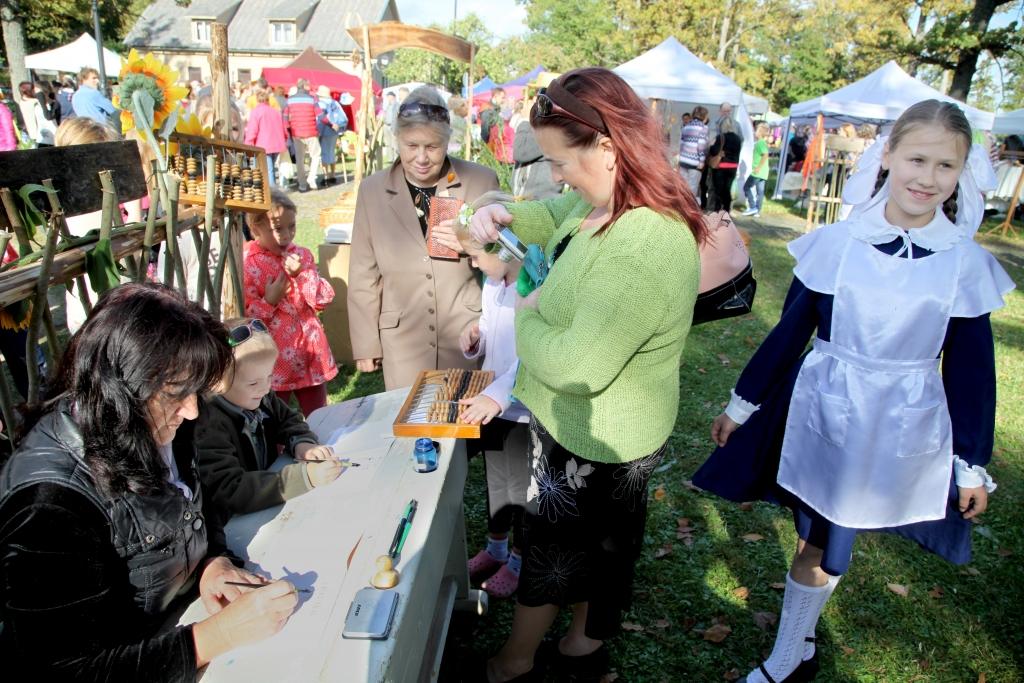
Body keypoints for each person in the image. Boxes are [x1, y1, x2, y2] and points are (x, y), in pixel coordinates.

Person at [694, 100, 1013, 683]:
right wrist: (743, 405)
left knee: (829, 542)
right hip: (818, 409)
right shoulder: (837, 243)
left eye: (946, 166)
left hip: (897, 421)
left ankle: (795, 647)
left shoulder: (964, 264)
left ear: (962, 173)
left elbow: (971, 374)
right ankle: (793, 652)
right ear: (887, 156)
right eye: (916, 158)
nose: (927, 178)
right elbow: (789, 332)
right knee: (815, 535)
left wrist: (971, 464)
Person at [467, 67, 705, 682]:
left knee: (555, 556)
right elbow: (552, 212)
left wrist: (526, 312)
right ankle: (582, 647)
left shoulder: (646, 240)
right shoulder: (604, 196)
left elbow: (578, 367)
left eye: (561, 161)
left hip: (600, 436)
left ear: (606, 145)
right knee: (596, 548)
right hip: (585, 427)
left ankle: (515, 662)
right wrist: (501, 211)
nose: (555, 175)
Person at [0, 283, 300, 680]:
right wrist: (212, 638)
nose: (192, 411)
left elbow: (194, 502)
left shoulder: (156, 419)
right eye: (178, 394)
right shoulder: (47, 502)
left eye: (195, 392)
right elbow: (61, 669)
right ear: (122, 387)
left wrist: (211, 562)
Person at [347, 86, 499, 390]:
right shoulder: (372, 191)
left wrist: (472, 246)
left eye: (432, 147)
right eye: (411, 145)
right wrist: (366, 344)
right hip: (403, 340)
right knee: (410, 426)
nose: (421, 158)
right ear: (397, 140)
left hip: (465, 334)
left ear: (447, 141)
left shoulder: (480, 181)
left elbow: (509, 260)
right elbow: (363, 271)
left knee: (463, 427)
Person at [187, 317, 343, 529]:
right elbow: (230, 489)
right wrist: (303, 477)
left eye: (269, 377)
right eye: (253, 383)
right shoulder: (209, 425)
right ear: (218, 382)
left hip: (267, 510)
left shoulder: (261, 398)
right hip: (234, 529)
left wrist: (301, 442)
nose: (265, 389)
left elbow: (288, 419)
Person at [455, 202, 532, 599]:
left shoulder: (534, 289)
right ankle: (496, 548)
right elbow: (489, 326)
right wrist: (476, 337)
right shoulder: (492, 284)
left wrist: (498, 396)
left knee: (523, 491)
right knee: (498, 482)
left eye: (474, 255)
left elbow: (532, 357)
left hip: (522, 411)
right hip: (494, 405)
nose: (473, 264)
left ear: (502, 249)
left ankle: (519, 560)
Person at [244, 189, 337, 415]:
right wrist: (269, 300)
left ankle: (320, 444)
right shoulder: (249, 263)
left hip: (310, 354)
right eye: (277, 229)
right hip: (277, 358)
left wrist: (303, 273)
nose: (286, 235)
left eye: (292, 226)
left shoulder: (302, 256)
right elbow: (248, 317)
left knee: (318, 413)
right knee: (276, 415)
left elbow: (322, 299)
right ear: (256, 229)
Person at [512, 91, 562, 200]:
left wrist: (525, 120)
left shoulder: (552, 129)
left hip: (539, 202)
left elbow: (521, 152)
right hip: (532, 201)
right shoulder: (544, 127)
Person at [245, 88, 288, 187]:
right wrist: (285, 139)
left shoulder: (256, 112)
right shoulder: (275, 111)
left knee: (268, 171)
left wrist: (248, 144)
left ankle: (272, 195)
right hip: (277, 144)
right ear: (268, 100)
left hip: (263, 145)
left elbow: (252, 131)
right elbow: (283, 128)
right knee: (270, 168)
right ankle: (271, 191)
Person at [284, 79, 322, 192]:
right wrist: (328, 124)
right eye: (308, 86)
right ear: (305, 86)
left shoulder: (289, 100)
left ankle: (302, 184)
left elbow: (285, 117)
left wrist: (288, 131)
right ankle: (311, 178)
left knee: (300, 159)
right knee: (315, 155)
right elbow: (320, 115)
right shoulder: (312, 99)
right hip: (311, 132)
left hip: (297, 133)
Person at [708, 115, 742, 212]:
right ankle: (727, 209)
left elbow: (714, 151)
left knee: (718, 190)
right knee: (727, 188)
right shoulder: (738, 139)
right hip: (733, 167)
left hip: (721, 166)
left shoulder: (721, 137)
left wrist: (712, 146)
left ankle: (717, 209)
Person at [316, 85, 348, 185]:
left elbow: (319, 118)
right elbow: (344, 118)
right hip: (334, 131)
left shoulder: (319, 104)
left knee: (324, 153)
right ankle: (333, 175)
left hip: (323, 130)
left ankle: (326, 176)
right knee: (331, 152)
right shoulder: (335, 103)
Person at [678, 105, 710, 197]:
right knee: (692, 188)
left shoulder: (686, 126)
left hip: (683, 160)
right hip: (694, 162)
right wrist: (702, 161)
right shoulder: (704, 128)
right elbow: (701, 145)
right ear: (704, 116)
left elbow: (681, 143)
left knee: (682, 187)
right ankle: (688, 209)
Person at [742, 122, 771, 217]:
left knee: (746, 187)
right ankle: (757, 210)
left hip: (758, 172)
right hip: (763, 172)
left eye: (756, 131)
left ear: (760, 132)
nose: (754, 132)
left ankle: (753, 207)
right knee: (760, 192)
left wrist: (758, 167)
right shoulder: (762, 143)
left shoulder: (760, 143)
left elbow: (765, 155)